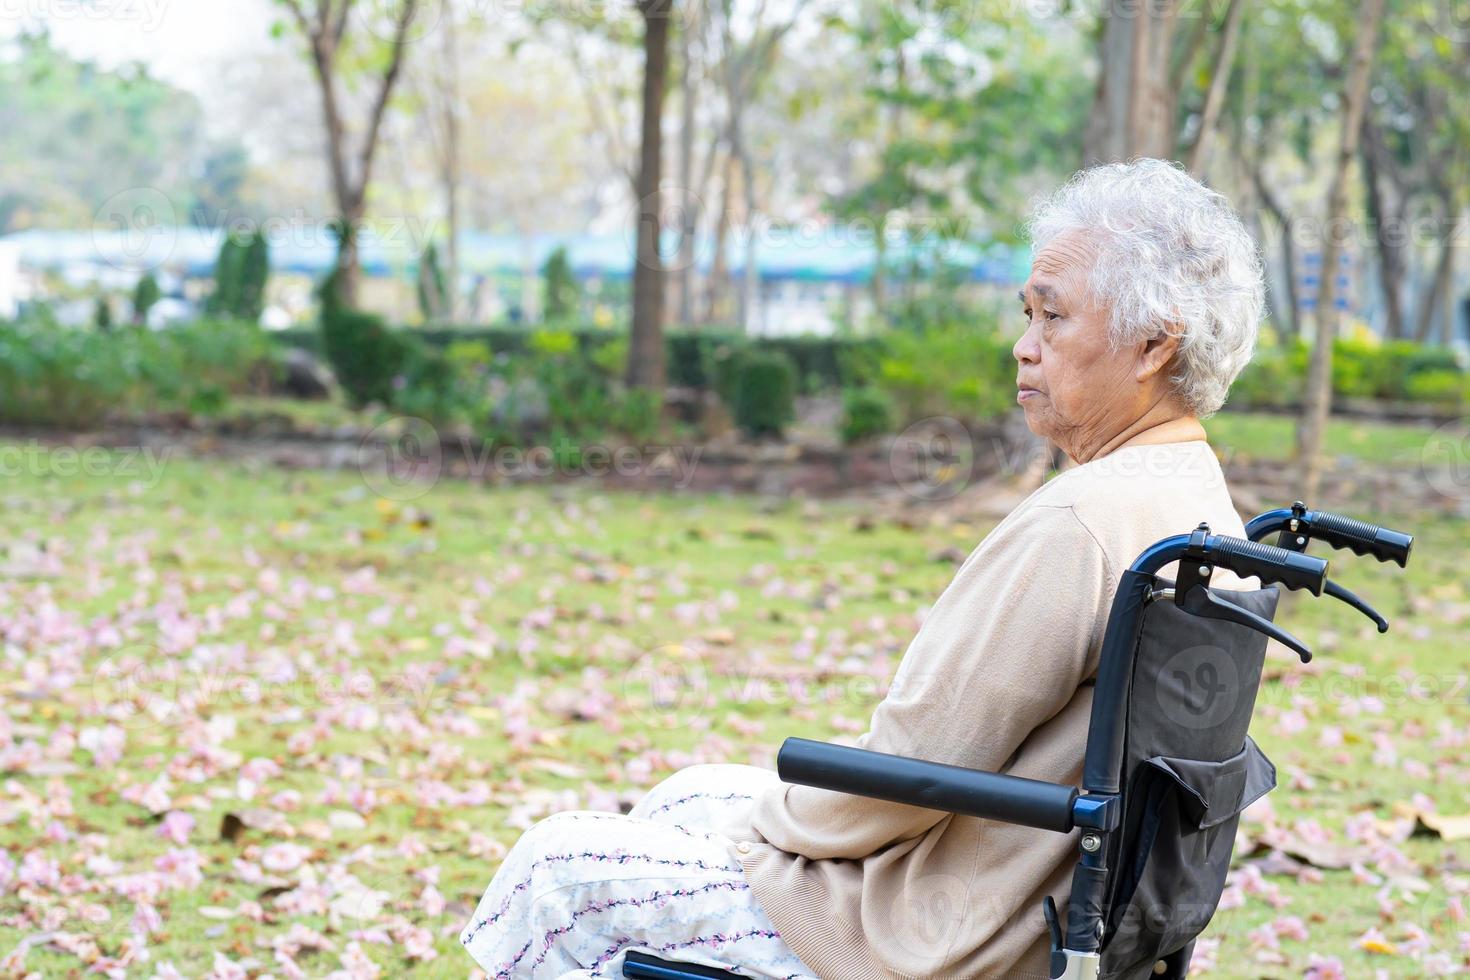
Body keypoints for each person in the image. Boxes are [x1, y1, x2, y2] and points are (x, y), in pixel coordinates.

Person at [459, 157, 1267, 979]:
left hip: (934, 936)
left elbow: (913, 767)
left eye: (1052, 318)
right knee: (688, 795)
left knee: (552, 873)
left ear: (1153, 346)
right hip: (1038, 909)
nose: (1022, 348)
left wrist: (769, 834)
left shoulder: (1084, 520)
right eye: (1026, 314)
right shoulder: (1196, 500)